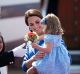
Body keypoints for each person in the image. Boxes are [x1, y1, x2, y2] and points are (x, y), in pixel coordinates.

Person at [21, 9, 67, 73]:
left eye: (37, 22)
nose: (35, 26)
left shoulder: (54, 37)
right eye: (31, 24)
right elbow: (24, 67)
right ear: (29, 27)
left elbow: (65, 59)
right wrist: (33, 58)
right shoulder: (30, 42)